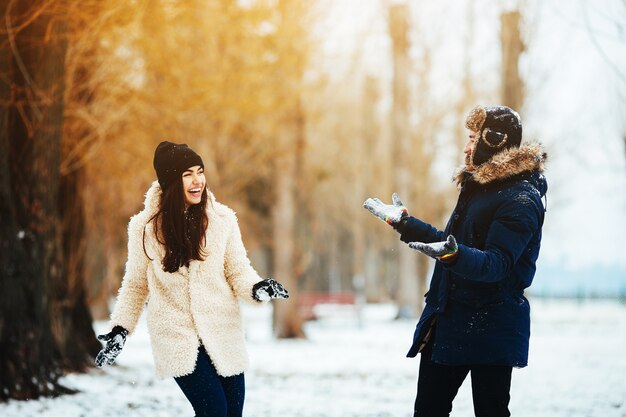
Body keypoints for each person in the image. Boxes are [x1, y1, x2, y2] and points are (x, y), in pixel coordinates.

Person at [364, 105, 547, 417]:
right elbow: (452, 244)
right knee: (428, 411)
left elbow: (496, 264)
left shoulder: (520, 198)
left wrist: (453, 254)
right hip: (448, 319)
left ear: (494, 140)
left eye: (474, 138)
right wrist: (405, 223)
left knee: (490, 412)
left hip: (491, 326)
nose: (466, 146)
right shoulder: (479, 188)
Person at [95, 141, 289, 417]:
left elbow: (238, 271)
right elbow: (136, 285)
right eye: (188, 174)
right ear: (172, 181)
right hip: (177, 335)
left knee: (232, 413)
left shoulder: (222, 220)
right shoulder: (145, 228)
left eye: (200, 171)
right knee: (215, 411)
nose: (198, 181)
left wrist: (258, 288)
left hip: (222, 330)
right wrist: (120, 330)